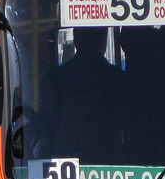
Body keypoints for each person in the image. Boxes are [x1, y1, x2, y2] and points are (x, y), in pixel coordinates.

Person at [44, 26, 122, 161]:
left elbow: (45, 122)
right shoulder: (117, 77)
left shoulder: (55, 78)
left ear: (75, 39)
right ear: (104, 40)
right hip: (108, 158)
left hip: (64, 157)